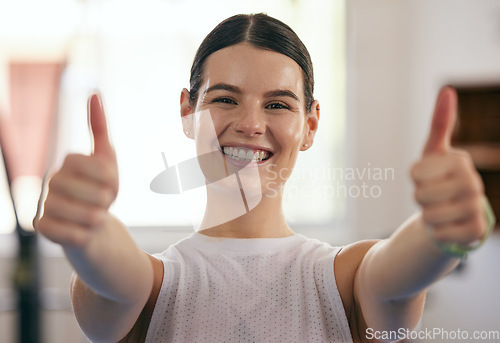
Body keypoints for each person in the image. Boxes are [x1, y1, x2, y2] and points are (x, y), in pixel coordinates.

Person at [34, 13, 494, 343]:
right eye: (225, 99)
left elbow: (397, 271)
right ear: (187, 112)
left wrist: (440, 235)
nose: (251, 124)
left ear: (310, 125)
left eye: (277, 104)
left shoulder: (346, 279)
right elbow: (110, 275)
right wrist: (86, 233)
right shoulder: (152, 285)